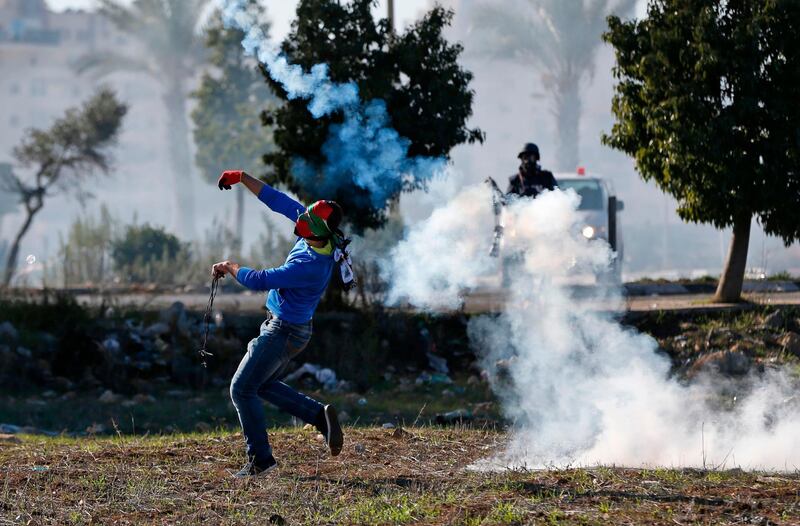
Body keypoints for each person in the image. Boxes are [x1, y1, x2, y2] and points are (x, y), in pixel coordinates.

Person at [212, 169, 354, 478]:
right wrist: (242, 176)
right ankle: (318, 416)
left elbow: (260, 279)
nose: (299, 220)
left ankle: (261, 461)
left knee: (241, 389)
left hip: (285, 331)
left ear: (317, 230)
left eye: (306, 220)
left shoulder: (309, 265)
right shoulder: (318, 232)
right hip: (290, 328)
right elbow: (276, 200)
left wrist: (230, 266)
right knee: (259, 385)